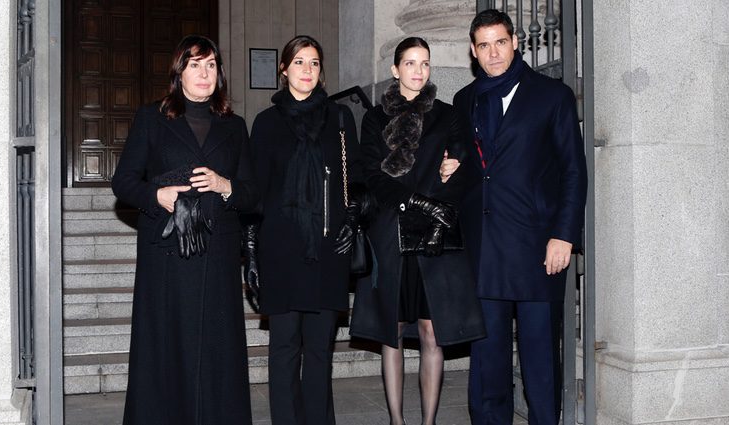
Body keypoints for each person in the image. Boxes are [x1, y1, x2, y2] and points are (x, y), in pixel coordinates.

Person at [443, 9, 588, 425]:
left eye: (500, 42)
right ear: (473, 50)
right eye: (484, 45)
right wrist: (454, 168)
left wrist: (563, 235)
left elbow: (573, 171)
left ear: (515, 43)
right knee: (487, 361)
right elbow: (476, 167)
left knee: (540, 357)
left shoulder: (551, 95)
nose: (493, 53)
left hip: (537, 247)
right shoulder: (465, 100)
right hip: (485, 246)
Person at [111, 35, 257, 425]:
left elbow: (253, 192)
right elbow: (123, 181)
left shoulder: (235, 126)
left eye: (211, 65)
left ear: (219, 74)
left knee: (217, 350)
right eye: (195, 65)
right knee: (165, 346)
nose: (204, 73)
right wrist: (156, 195)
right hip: (168, 256)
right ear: (179, 72)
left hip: (218, 254)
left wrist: (227, 186)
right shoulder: (151, 118)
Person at [350, 37, 486, 425]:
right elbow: (372, 174)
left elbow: (462, 162)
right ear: (395, 70)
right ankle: (397, 420)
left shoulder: (447, 114)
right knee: (390, 333)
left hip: (433, 235)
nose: (418, 71)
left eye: (424, 63)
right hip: (390, 231)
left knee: (431, 331)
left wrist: (451, 172)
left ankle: (428, 421)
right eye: (410, 63)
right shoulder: (375, 118)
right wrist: (411, 201)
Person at [245, 35, 366, 425]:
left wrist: (353, 218)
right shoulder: (266, 123)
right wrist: (250, 251)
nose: (307, 71)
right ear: (284, 69)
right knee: (283, 348)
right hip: (280, 250)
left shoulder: (341, 118)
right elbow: (254, 192)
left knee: (319, 351)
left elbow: (356, 182)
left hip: (328, 248)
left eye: (314, 63)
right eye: (299, 62)